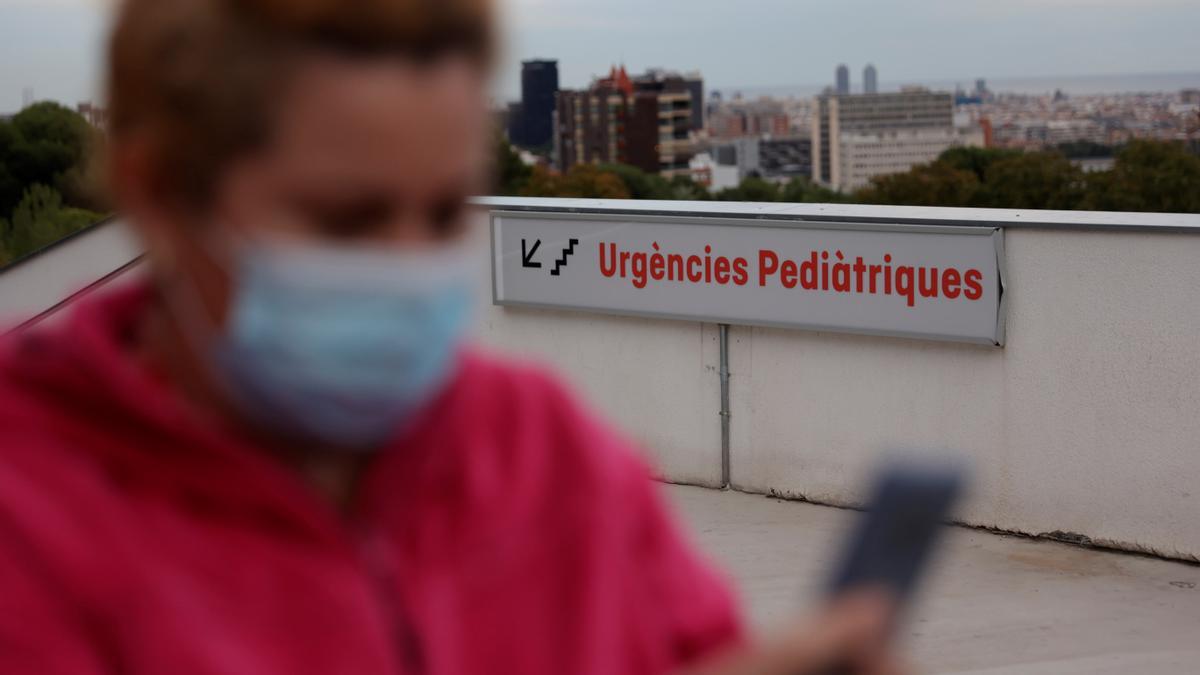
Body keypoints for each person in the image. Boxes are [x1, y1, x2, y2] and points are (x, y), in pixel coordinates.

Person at [0, 0, 901, 673]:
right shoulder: (31, 519)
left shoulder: (544, 453)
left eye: (440, 212)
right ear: (158, 193)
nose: (405, 265)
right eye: (346, 220)